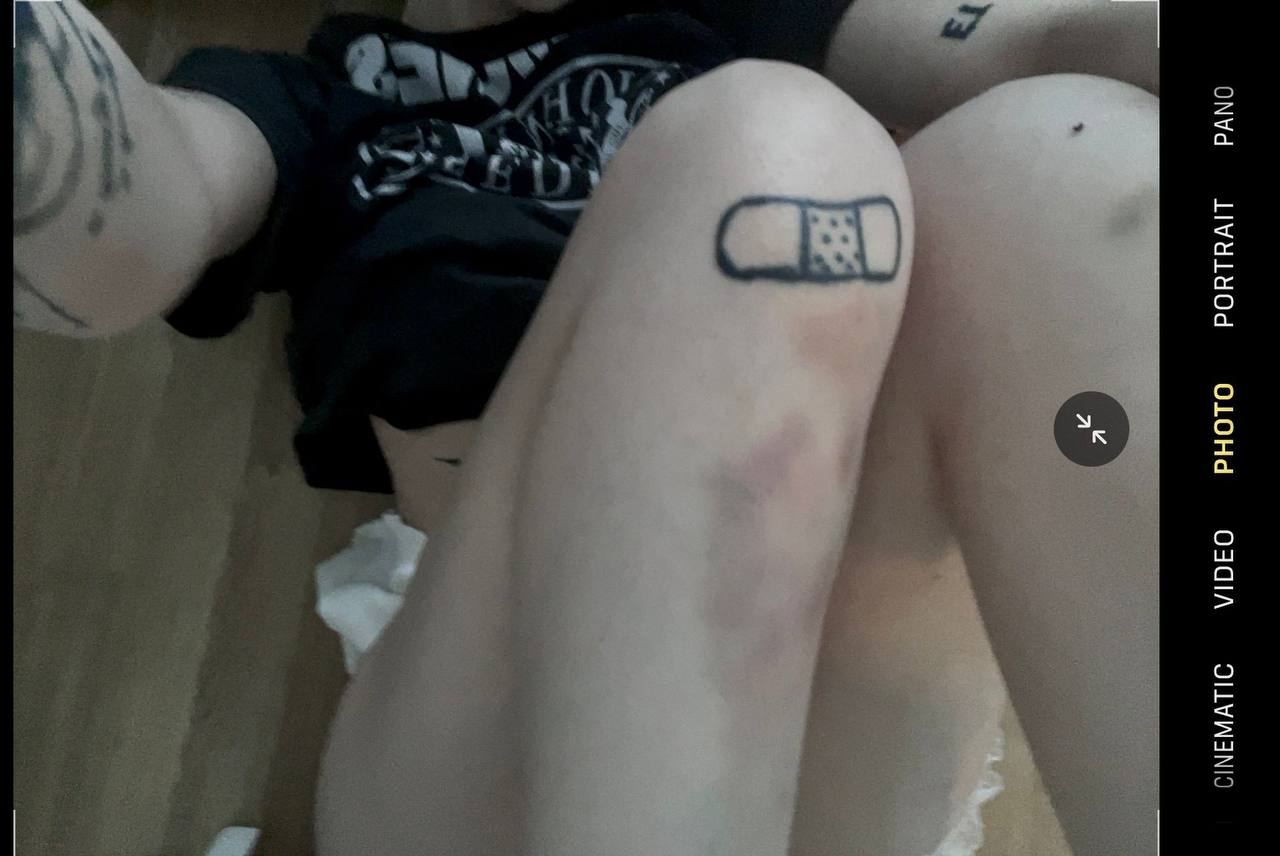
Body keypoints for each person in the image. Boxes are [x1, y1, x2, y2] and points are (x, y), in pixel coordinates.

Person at [13, 1, 1159, 853]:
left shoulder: (745, 14)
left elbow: (1044, 39)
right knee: (770, 151)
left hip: (837, 684)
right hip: (508, 742)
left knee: (1060, 158)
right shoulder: (321, 101)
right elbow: (144, 210)